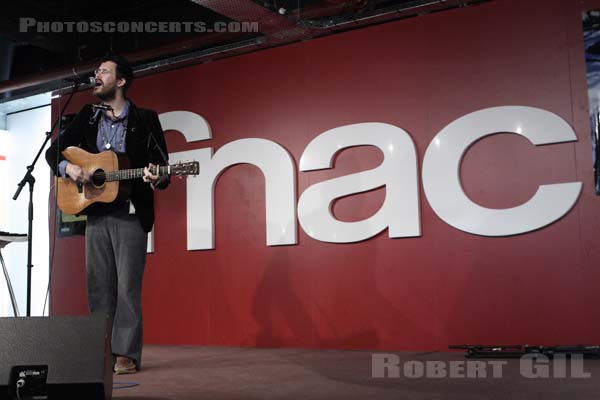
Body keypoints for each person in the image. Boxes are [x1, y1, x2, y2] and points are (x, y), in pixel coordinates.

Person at [45, 54, 169, 374]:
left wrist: (159, 175)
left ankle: (125, 353)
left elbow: (161, 164)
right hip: (95, 212)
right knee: (98, 286)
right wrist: (69, 167)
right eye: (96, 71)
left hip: (129, 211)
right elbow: (54, 150)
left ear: (121, 81)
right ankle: (101, 353)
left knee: (127, 286)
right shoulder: (87, 115)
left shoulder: (145, 119)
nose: (96, 75)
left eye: (104, 71)